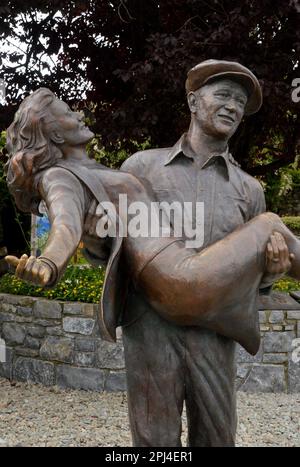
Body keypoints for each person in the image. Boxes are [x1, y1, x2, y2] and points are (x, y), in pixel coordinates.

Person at [4, 80, 300, 447]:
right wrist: (52, 260)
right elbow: (69, 227)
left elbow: (253, 276)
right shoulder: (133, 166)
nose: (232, 106)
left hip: (211, 330)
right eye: (223, 95)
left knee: (218, 438)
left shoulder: (249, 188)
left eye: (239, 101)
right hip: (157, 321)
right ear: (193, 100)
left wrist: (271, 271)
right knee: (154, 442)